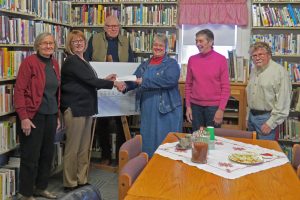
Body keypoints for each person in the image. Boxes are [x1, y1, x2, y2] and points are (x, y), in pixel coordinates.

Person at [60, 30, 125, 191]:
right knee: (73, 148)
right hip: (75, 108)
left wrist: (105, 79)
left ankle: (81, 179)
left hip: (86, 108)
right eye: (75, 41)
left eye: (81, 40)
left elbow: (87, 82)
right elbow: (90, 81)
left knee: (84, 148)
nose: (79, 43)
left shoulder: (84, 61)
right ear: (70, 44)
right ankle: (70, 182)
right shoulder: (71, 61)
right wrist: (113, 84)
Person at [14, 32, 60, 200]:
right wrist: (24, 117)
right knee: (30, 156)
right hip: (33, 116)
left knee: (47, 154)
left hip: (50, 114)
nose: (48, 46)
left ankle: (40, 187)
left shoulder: (55, 63)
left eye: (51, 43)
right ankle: (25, 193)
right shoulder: (29, 63)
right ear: (37, 45)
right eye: (44, 43)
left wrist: (57, 117)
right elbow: (19, 91)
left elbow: (55, 92)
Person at [84, 15, 134, 165]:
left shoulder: (126, 40)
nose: (113, 29)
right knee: (102, 122)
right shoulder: (95, 39)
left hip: (121, 85)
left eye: (116, 26)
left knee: (121, 122)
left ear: (119, 27)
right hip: (102, 84)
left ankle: (120, 157)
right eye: (110, 26)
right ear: (104, 27)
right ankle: (105, 155)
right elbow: (87, 60)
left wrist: (126, 81)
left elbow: (131, 61)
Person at [124, 34, 182, 157]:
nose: (158, 47)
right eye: (155, 45)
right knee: (148, 139)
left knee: (167, 141)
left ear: (166, 48)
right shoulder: (145, 64)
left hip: (167, 109)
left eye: (161, 45)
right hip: (148, 108)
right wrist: (124, 86)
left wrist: (144, 82)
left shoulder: (172, 64)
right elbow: (135, 79)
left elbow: (169, 80)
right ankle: (149, 167)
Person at [185, 29, 230, 131]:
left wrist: (221, 109)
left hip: (214, 107)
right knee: (197, 139)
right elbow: (188, 85)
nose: (197, 44)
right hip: (195, 106)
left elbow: (226, 87)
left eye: (201, 41)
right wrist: (188, 106)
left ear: (210, 42)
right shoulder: (192, 59)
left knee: (212, 140)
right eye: (196, 41)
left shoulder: (221, 59)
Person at [246, 41, 291, 140]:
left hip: (267, 118)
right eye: (254, 55)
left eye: (260, 54)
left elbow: (283, 101)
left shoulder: (279, 72)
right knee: (251, 151)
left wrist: (271, 123)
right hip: (252, 116)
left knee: (265, 153)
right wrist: (248, 117)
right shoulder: (254, 70)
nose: (257, 58)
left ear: (269, 55)